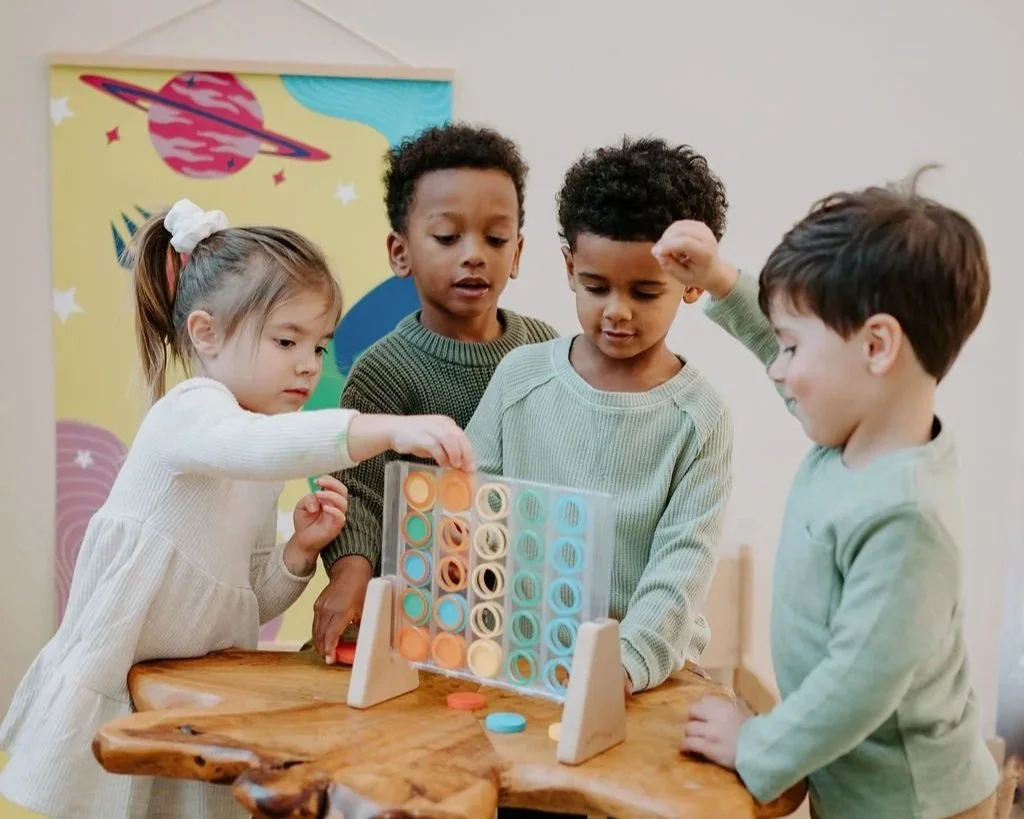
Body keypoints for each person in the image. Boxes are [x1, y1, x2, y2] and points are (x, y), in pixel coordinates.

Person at [0, 199, 473, 818]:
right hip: (123, 689)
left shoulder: (259, 456)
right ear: (205, 333)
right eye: (286, 340)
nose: (308, 364)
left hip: (192, 696)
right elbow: (251, 445)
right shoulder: (192, 412)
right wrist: (385, 430)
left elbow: (248, 599)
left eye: (319, 345)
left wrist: (298, 553)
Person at [659, 170, 1000, 818]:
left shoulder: (906, 515)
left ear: (876, 345)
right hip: (855, 788)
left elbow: (857, 685)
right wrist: (723, 278)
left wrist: (756, 743)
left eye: (792, 346)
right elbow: (786, 354)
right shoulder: (858, 438)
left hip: (911, 803)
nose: (779, 368)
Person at [465, 137, 733, 696]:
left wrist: (625, 665)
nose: (616, 310)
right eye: (595, 286)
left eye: (645, 291)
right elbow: (471, 512)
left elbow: (681, 567)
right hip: (520, 657)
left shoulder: (699, 418)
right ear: (569, 267)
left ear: (690, 285)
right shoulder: (520, 379)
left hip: (643, 674)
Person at [311, 123, 557, 662]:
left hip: (524, 613)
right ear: (401, 252)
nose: (474, 255)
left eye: (495, 239)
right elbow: (360, 493)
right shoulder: (385, 369)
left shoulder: (545, 351)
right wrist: (350, 574)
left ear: (516, 252)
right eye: (448, 237)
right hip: (421, 620)